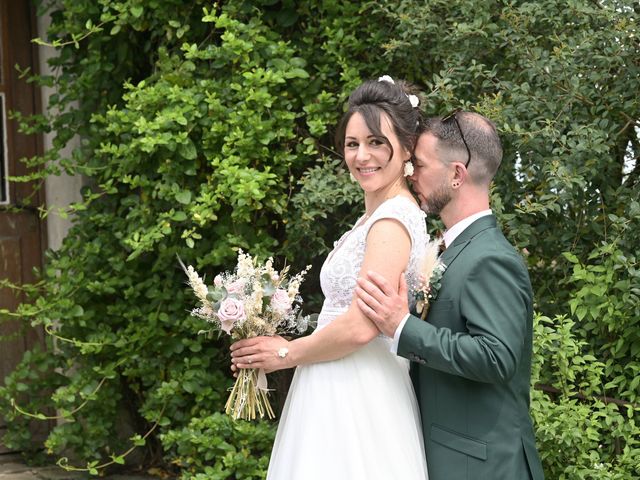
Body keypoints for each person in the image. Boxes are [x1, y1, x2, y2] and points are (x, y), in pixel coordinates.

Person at [230, 77, 430, 480]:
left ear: (407, 147)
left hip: (358, 392)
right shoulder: (375, 217)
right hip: (334, 379)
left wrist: (285, 353)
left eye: (376, 142)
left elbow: (361, 327)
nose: (362, 155)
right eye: (352, 143)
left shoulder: (392, 222)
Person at [354, 112, 545, 480]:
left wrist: (403, 327)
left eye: (420, 165)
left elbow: (496, 357)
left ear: (457, 175)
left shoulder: (491, 258)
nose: (410, 175)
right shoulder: (449, 249)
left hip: (483, 467)